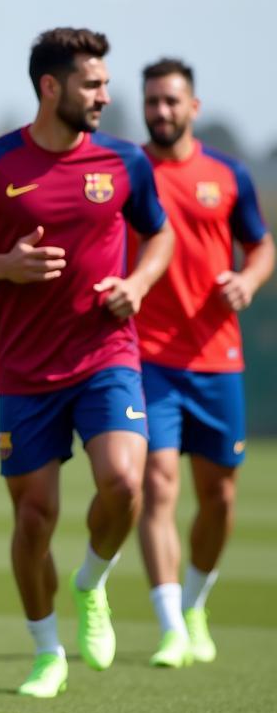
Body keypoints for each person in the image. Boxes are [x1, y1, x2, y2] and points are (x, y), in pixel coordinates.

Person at [0, 27, 174, 699]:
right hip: (25, 373)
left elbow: (160, 235)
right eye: (91, 84)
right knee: (34, 517)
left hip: (106, 357)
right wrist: (2, 265)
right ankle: (46, 652)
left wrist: (140, 284)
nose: (104, 95)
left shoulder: (126, 162)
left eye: (104, 83)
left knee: (125, 481)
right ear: (50, 87)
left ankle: (92, 581)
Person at [133, 58, 273, 668]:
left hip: (218, 358)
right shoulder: (127, 169)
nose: (160, 111)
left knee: (219, 499)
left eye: (171, 101)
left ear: (193, 107)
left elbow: (261, 244)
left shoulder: (229, 174)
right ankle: (169, 626)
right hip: (146, 356)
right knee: (157, 484)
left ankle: (194, 605)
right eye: (152, 102)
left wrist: (249, 280)